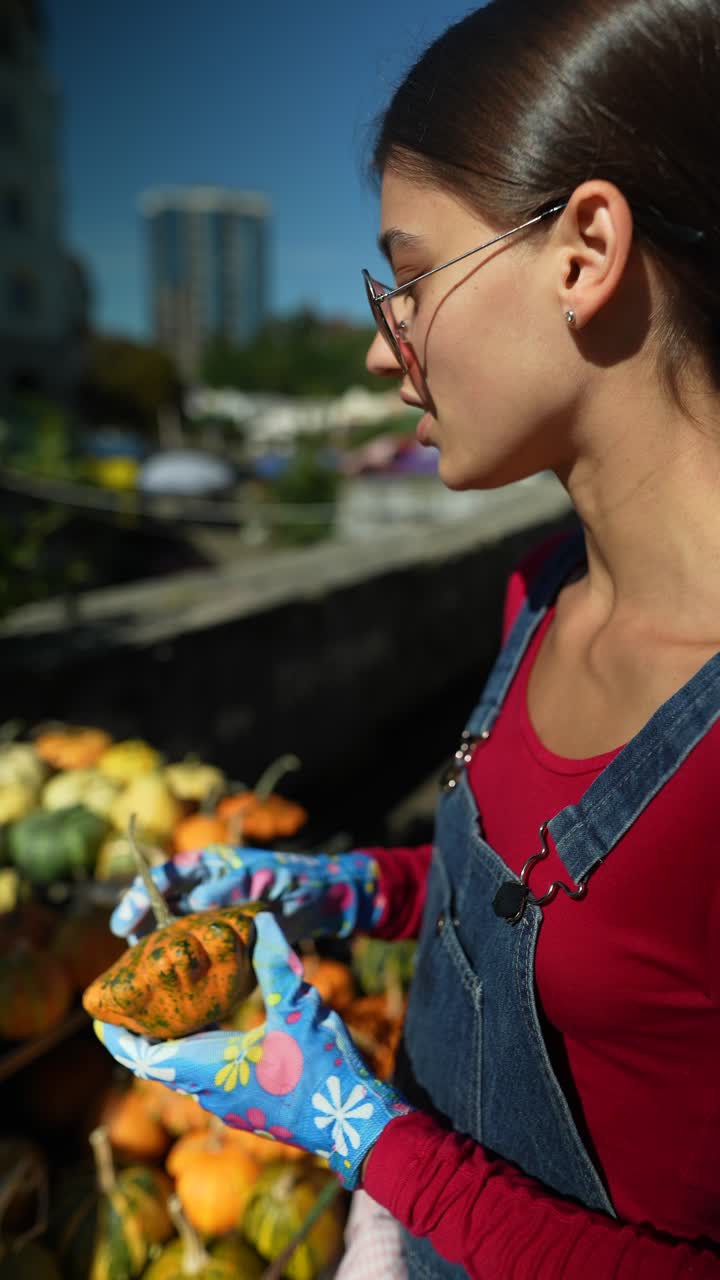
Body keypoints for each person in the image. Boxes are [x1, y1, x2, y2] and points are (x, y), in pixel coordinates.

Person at [96, 0, 720, 1274]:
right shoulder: (542, 596)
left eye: (413, 274)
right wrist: (331, 891)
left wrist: (348, 1122)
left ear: (585, 249)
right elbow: (551, 927)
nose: (389, 351)